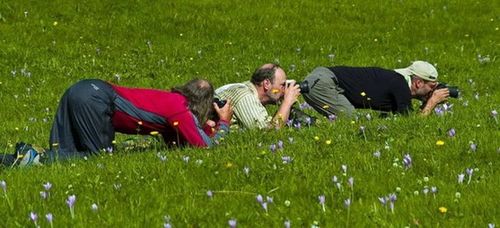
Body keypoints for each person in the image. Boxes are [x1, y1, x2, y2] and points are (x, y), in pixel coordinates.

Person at [1, 78, 233, 167]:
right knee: (96, 159)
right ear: (203, 104)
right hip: (97, 99)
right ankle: (33, 157)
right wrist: (223, 124)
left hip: (82, 88)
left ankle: (15, 158)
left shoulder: (172, 101)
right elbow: (205, 148)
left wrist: (205, 127)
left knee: (64, 156)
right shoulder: (181, 112)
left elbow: (178, 142)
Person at [300, 60, 450, 118]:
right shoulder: (400, 84)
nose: (433, 91)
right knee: (350, 121)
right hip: (324, 82)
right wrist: (432, 102)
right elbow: (412, 123)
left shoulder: (397, 81)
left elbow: (403, 121)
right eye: (432, 86)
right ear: (418, 83)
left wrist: (426, 101)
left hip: (322, 78)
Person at [215, 63, 301, 129]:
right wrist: (287, 102)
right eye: (282, 85)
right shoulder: (245, 97)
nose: (284, 89)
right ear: (266, 84)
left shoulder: (247, 89)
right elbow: (271, 131)